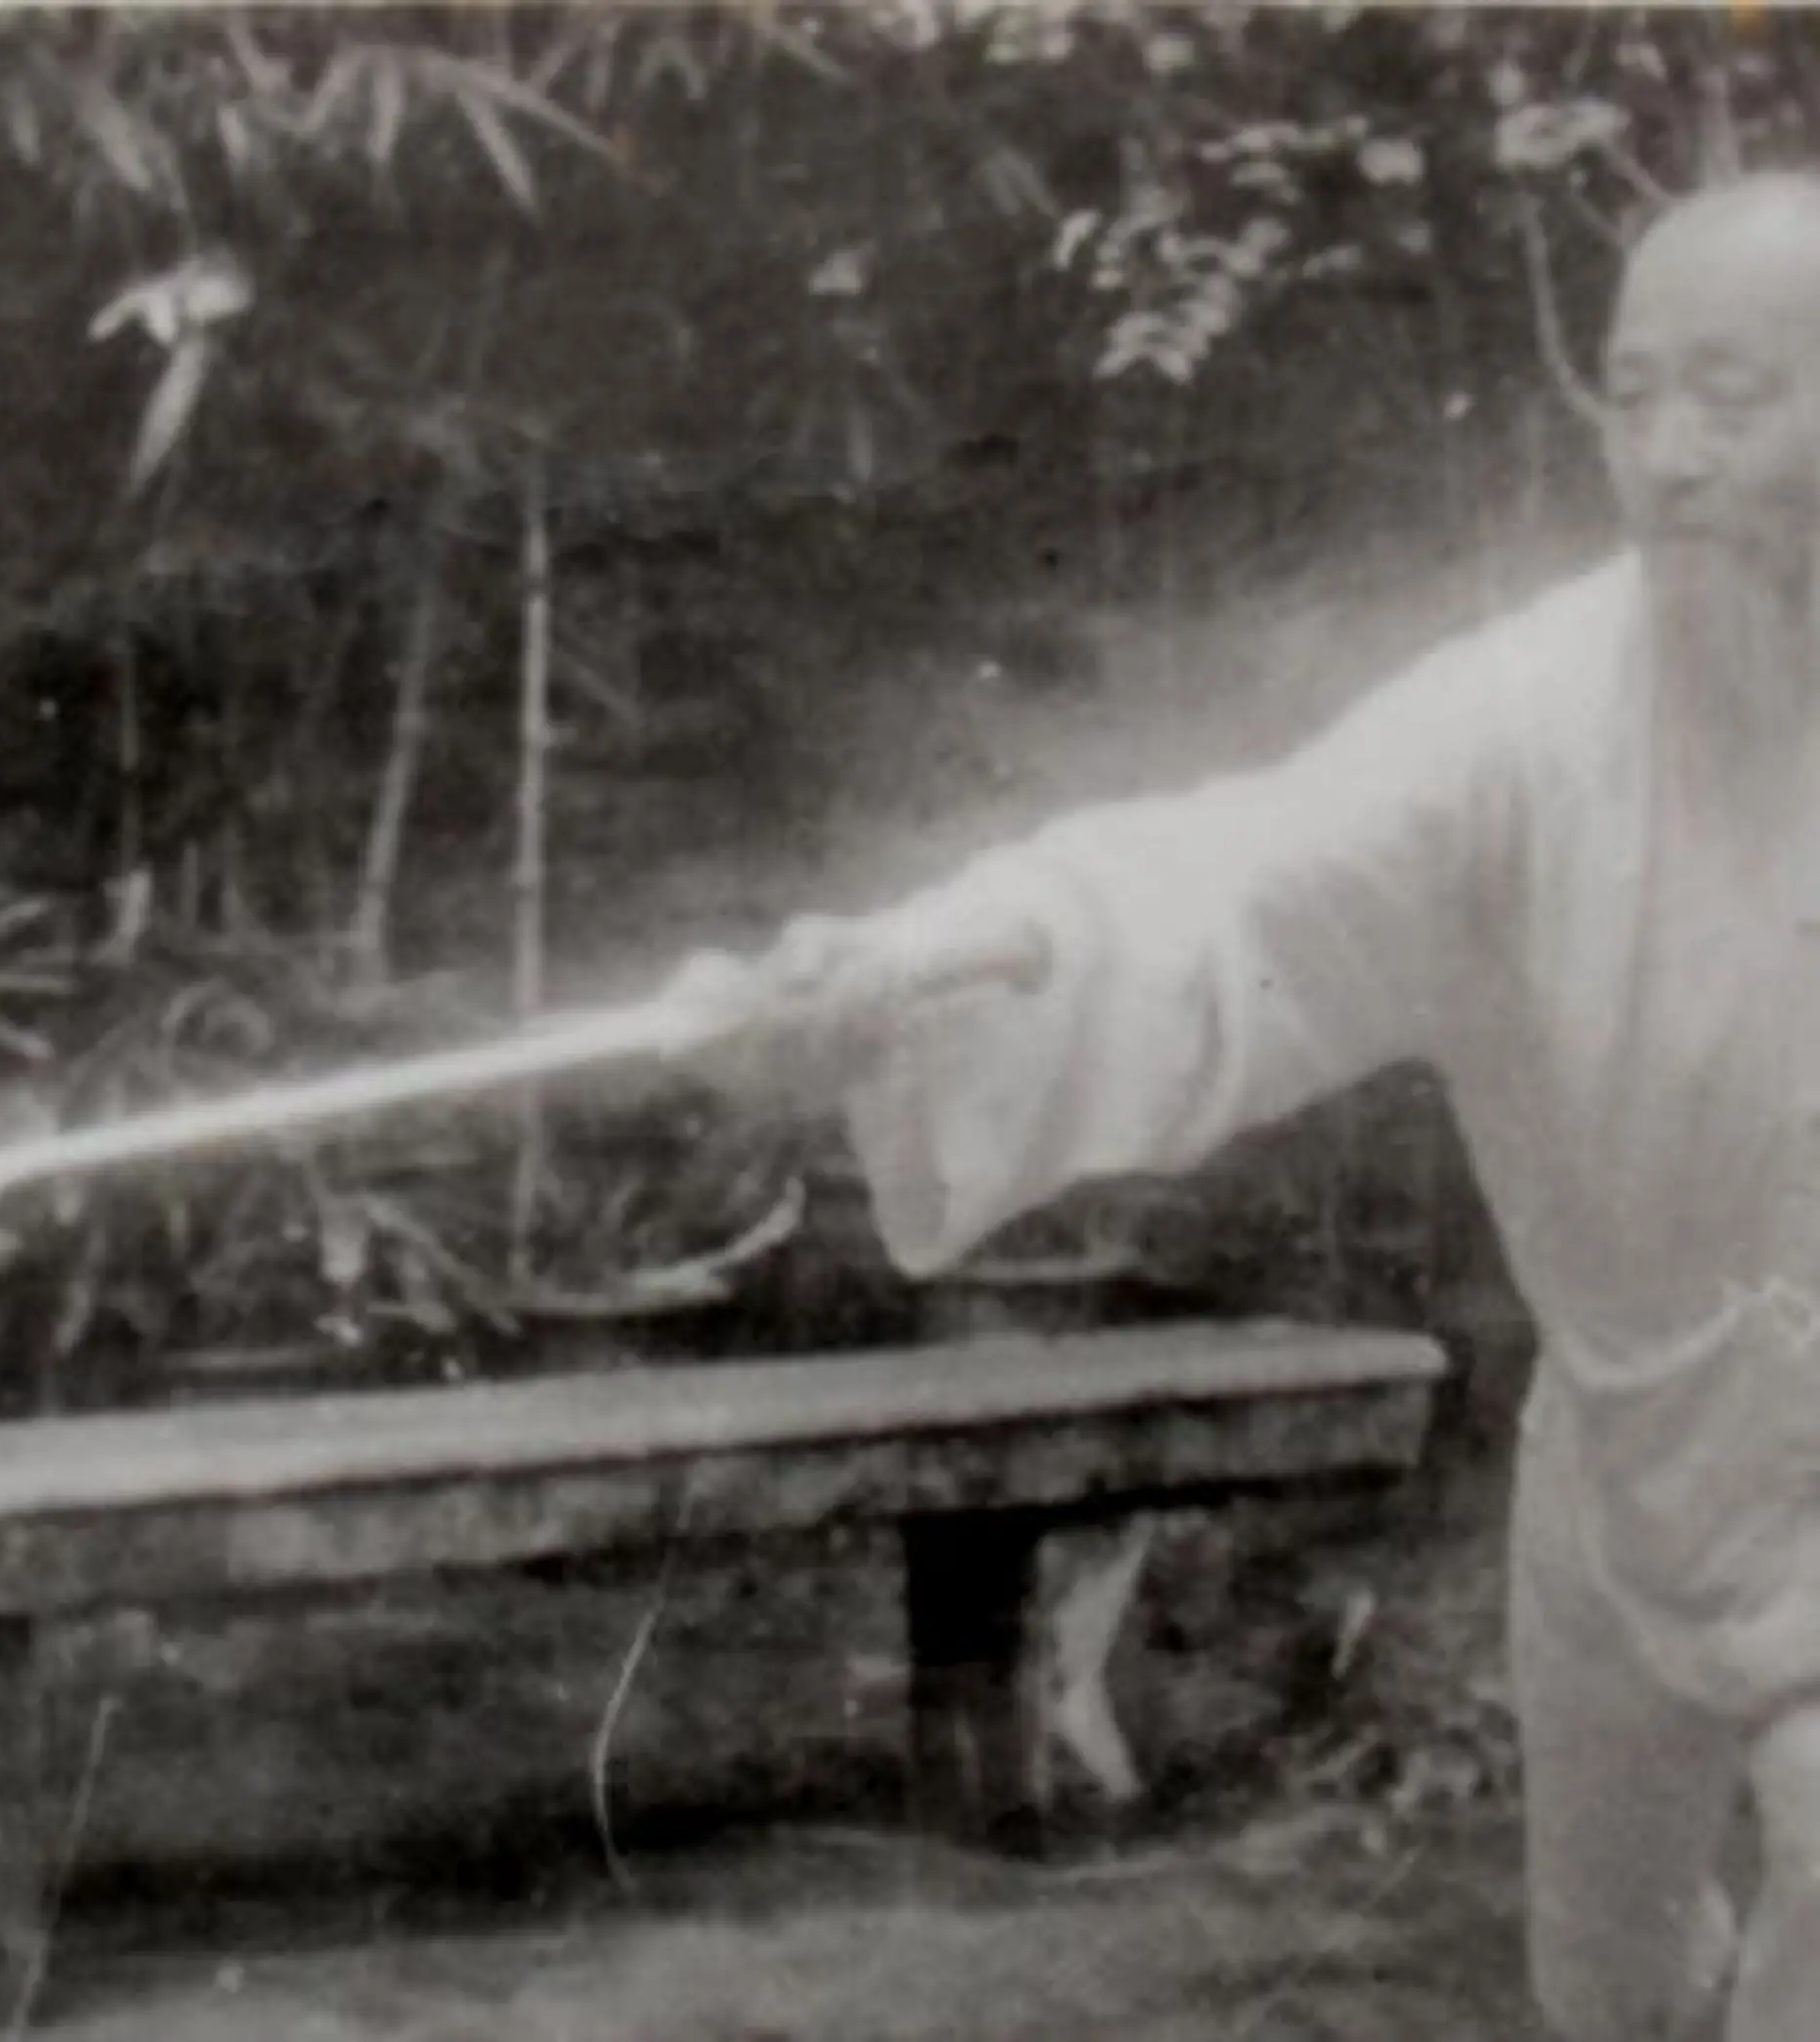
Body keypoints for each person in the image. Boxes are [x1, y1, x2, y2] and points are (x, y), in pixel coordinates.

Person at [664, 172, 1820, 2042]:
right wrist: (922, 962)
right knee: (1601, 1993)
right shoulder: (1531, 715)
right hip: (1626, 1454)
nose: (1669, 453)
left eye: (1738, 394)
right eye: (1634, 391)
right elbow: (1242, 879)